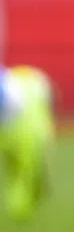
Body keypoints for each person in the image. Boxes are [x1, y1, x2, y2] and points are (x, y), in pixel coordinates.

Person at [0, 66, 54, 221]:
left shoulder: (30, 84)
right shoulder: (31, 83)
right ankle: (23, 204)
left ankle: (23, 203)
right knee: (22, 167)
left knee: (24, 166)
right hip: (20, 126)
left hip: (21, 125)